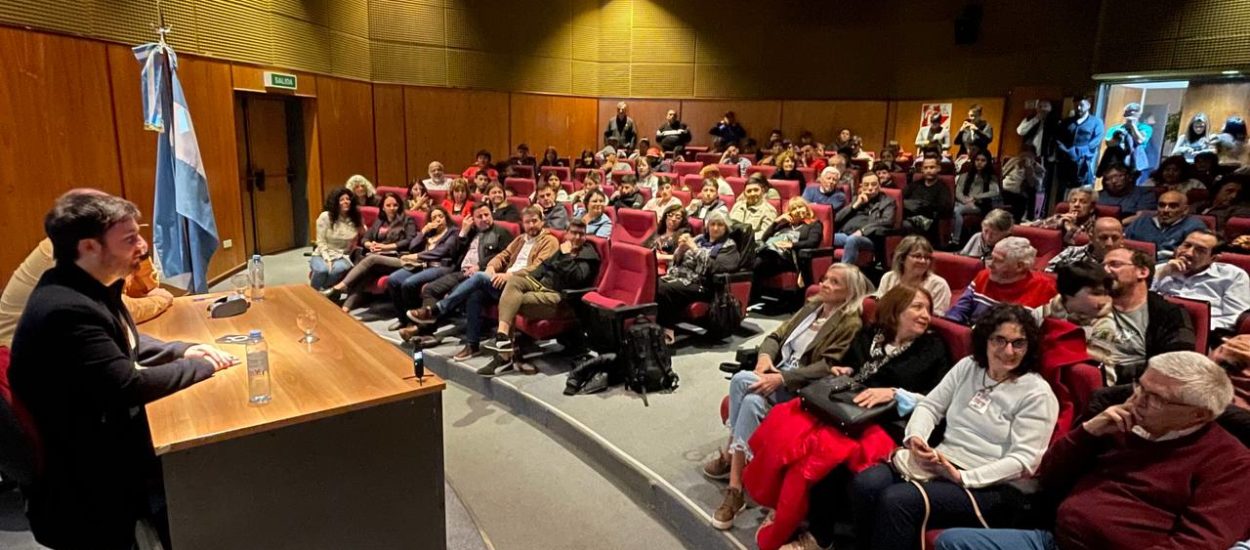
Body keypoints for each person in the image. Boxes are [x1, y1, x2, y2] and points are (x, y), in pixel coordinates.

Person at [10, 191, 237, 549]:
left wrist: (180, 349)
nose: (143, 246)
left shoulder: (84, 286)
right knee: (209, 442)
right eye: (130, 239)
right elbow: (127, 385)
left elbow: (123, 340)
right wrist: (201, 366)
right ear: (89, 247)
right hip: (84, 482)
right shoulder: (64, 309)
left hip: (98, 448)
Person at [934, 352, 1250, 550]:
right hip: (1055, 540)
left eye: (1156, 398)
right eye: (1140, 386)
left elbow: (1200, 543)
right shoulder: (1117, 421)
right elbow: (1049, 476)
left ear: (1199, 415)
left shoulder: (1231, 462)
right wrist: (1087, 433)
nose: (1137, 399)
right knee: (952, 542)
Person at [851, 304, 1058, 549]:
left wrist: (963, 477)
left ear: (1029, 346)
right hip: (944, 460)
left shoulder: (1037, 393)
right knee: (866, 485)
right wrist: (916, 438)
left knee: (898, 500)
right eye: (999, 340)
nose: (1008, 351)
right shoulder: (969, 367)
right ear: (985, 340)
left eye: (1018, 343)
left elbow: (1025, 461)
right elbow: (930, 406)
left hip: (992, 484)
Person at [778, 285, 953, 550]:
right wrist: (843, 369)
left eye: (928, 309)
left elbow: (937, 399)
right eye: (917, 307)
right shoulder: (872, 335)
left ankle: (820, 537)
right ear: (895, 310)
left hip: (891, 421)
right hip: (849, 409)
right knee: (789, 427)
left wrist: (896, 393)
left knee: (828, 454)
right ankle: (789, 512)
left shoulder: (932, 347)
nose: (925, 315)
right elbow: (851, 365)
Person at [704, 264, 869, 530]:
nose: (825, 284)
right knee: (750, 401)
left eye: (835, 283)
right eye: (826, 278)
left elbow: (828, 365)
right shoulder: (811, 307)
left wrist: (781, 378)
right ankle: (736, 488)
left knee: (740, 380)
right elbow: (776, 336)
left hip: (800, 386)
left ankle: (729, 457)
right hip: (776, 372)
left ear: (849, 292)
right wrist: (765, 358)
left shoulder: (850, 321)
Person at [412, 206, 558, 362]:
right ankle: (472, 345)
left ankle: (437, 310)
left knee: (479, 277)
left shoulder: (549, 241)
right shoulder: (521, 239)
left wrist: (509, 275)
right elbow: (504, 255)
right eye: (527, 222)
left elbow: (538, 267)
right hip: (504, 282)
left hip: (523, 285)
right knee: (475, 295)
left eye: (535, 221)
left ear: (542, 222)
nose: (531, 225)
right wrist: (491, 267)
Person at [0, 236, 174, 346]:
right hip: (20, 356)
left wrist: (142, 257)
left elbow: (143, 289)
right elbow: (118, 310)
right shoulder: (70, 252)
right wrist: (161, 301)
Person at [491, 219, 600, 361]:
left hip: (562, 299)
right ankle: (503, 335)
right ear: (566, 234)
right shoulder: (562, 249)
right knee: (514, 282)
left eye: (581, 234)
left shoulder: (588, 256)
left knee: (512, 302)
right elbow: (543, 267)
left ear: (585, 236)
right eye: (573, 233)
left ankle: (505, 357)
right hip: (542, 287)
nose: (577, 237)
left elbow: (576, 278)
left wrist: (566, 256)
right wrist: (527, 279)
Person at [403, 204, 512, 342]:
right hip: (460, 272)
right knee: (430, 289)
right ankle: (427, 328)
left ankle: (424, 330)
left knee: (457, 292)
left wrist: (480, 266)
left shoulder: (501, 233)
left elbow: (505, 256)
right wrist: (463, 234)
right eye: (479, 216)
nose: (484, 219)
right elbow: (454, 255)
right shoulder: (471, 232)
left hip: (480, 276)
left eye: (487, 215)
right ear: (472, 219)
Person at [1101, 246, 1196, 381]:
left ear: (1142, 272)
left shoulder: (1169, 314)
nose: (1105, 271)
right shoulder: (1091, 304)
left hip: (1137, 387)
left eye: (1115, 264)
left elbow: (1176, 364)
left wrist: (1107, 372)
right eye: (1102, 266)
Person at [322, 192, 417, 311]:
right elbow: (365, 238)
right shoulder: (380, 221)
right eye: (388, 205)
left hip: (399, 259)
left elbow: (409, 241)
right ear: (382, 207)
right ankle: (346, 308)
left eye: (395, 205)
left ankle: (338, 287)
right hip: (379, 258)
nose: (392, 208)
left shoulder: (408, 220)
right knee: (367, 273)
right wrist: (370, 244)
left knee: (371, 259)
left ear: (400, 206)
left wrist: (384, 247)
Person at [655, 213, 742, 336]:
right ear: (707, 226)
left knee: (663, 289)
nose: (715, 228)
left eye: (720, 225)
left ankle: (668, 330)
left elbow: (714, 268)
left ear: (726, 228)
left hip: (704, 285)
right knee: (653, 285)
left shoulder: (729, 246)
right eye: (712, 224)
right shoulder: (700, 238)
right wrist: (681, 248)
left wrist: (694, 249)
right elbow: (676, 260)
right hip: (680, 277)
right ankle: (657, 327)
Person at [1153, 229, 1250, 334]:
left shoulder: (1233, 276)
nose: (1189, 253)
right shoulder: (1161, 270)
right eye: (1186, 245)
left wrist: (1196, 326)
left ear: (1213, 258)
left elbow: (1236, 317)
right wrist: (1160, 274)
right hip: (1155, 328)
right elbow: (1137, 301)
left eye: (1200, 250)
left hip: (1204, 333)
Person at [1032, 261, 1118, 379]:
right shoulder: (1044, 312)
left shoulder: (1104, 324)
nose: (1104, 301)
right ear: (1069, 292)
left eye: (1107, 294)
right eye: (1096, 294)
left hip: (1086, 382)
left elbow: (1090, 364)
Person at [945, 237, 1058, 325]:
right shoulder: (983, 276)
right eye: (991, 257)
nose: (990, 265)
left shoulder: (1046, 289)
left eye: (998, 261)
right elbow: (958, 312)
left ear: (1019, 266)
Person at [387, 207, 459, 335]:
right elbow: (412, 246)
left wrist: (416, 256)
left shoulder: (453, 232)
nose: (438, 220)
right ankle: (403, 319)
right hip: (422, 265)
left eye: (440, 216)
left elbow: (442, 252)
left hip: (441, 267)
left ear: (446, 217)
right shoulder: (430, 233)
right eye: (434, 217)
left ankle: (414, 321)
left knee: (409, 283)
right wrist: (423, 232)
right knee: (393, 279)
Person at [753, 198, 824, 285]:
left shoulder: (813, 224)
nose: (797, 210)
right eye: (794, 209)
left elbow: (813, 242)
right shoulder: (784, 224)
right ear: (789, 213)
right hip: (772, 253)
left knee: (759, 262)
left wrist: (791, 245)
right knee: (758, 261)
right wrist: (776, 222)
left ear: (806, 208)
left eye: (800, 207)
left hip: (790, 257)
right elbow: (764, 238)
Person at [877, 235, 953, 315]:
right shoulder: (889, 277)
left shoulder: (939, 285)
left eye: (927, 258)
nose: (923, 261)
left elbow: (936, 320)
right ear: (902, 258)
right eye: (917, 256)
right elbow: (879, 307)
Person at [1123, 191, 1208, 260]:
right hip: (1134, 262)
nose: (1165, 210)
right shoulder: (1142, 221)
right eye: (1162, 205)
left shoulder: (1195, 227)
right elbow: (1123, 242)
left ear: (1185, 210)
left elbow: (1193, 255)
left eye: (1173, 206)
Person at [834, 173, 895, 265]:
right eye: (866, 185)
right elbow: (837, 219)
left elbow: (887, 221)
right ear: (861, 186)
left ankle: (844, 274)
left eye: (873, 184)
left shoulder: (887, 202)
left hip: (869, 238)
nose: (870, 188)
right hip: (846, 234)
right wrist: (856, 205)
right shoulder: (857, 199)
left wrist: (863, 231)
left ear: (879, 185)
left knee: (852, 240)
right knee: (827, 238)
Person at [310, 188, 364, 290]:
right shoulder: (326, 216)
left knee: (336, 270)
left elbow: (364, 233)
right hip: (322, 253)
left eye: (348, 199)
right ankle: (313, 295)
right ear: (335, 203)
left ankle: (323, 293)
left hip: (343, 256)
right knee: (322, 270)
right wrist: (327, 259)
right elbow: (321, 241)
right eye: (342, 199)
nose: (346, 202)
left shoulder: (355, 218)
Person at [1054, 97, 1104, 193]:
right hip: (1066, 161)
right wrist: (1067, 151)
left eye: (1081, 105)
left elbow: (1096, 140)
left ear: (1088, 105)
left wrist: (1081, 152)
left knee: (1082, 191)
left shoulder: (1096, 122)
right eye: (1076, 106)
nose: (1079, 108)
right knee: (1063, 190)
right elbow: (1058, 139)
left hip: (1084, 162)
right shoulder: (1067, 122)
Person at [953, 150, 1003, 245]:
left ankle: (955, 240)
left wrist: (975, 197)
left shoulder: (991, 177)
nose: (979, 163)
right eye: (977, 160)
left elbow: (995, 192)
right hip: (964, 202)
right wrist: (965, 200)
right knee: (953, 209)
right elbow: (958, 192)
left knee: (956, 211)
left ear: (987, 162)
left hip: (980, 204)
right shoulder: (965, 175)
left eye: (983, 160)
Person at [903, 156, 955, 241]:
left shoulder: (942, 187)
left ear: (938, 168)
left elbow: (945, 208)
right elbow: (900, 198)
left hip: (929, 223)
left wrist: (922, 206)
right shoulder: (914, 185)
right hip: (909, 216)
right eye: (925, 168)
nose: (928, 170)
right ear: (922, 170)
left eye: (932, 167)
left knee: (905, 225)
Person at [1046, 217, 1123, 272]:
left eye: (1115, 238)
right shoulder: (1071, 252)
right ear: (1091, 237)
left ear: (1122, 238)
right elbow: (1048, 271)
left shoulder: (1127, 263)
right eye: (1103, 237)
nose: (1109, 243)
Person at [1027, 187, 1096, 245]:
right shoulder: (1060, 217)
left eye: (1083, 202)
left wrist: (1071, 228)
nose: (1076, 205)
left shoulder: (1096, 225)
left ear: (1092, 208)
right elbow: (1033, 227)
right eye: (1073, 201)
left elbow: (1087, 243)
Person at [1105, 102, 1153, 177]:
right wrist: (1117, 137)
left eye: (1135, 113)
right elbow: (1108, 143)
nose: (1131, 115)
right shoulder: (1115, 128)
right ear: (1125, 114)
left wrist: (1133, 126)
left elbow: (1140, 140)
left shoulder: (1145, 128)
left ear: (1139, 115)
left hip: (1136, 163)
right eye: (1129, 113)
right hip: (1117, 162)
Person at [1000, 144, 1045, 221]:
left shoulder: (1038, 169)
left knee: (1023, 198)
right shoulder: (1013, 161)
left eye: (1028, 155)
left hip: (1021, 193)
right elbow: (1002, 175)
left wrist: (1029, 168)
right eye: (1023, 154)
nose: (1025, 158)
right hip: (1005, 189)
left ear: (1034, 156)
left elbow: (1033, 184)